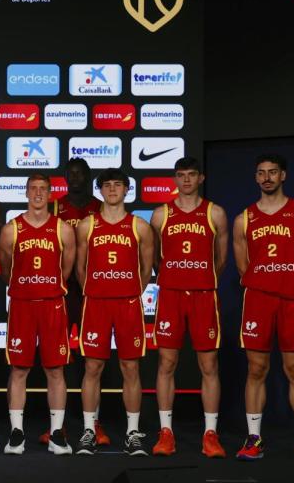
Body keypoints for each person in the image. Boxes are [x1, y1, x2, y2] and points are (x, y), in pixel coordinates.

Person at [233, 154, 294, 463]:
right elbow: (243, 266)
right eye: (261, 173)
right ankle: (254, 438)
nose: (266, 177)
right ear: (256, 178)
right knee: (256, 368)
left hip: (292, 299)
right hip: (257, 300)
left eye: (272, 172)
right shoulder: (244, 218)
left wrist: (292, 281)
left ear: (283, 175)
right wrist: (264, 281)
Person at [149, 157, 228, 458]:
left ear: (201, 178)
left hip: (203, 295)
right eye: (180, 175)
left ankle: (210, 434)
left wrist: (201, 279)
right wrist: (176, 276)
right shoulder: (161, 214)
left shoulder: (215, 213)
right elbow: (155, 258)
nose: (185, 180)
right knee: (166, 364)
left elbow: (220, 260)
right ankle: (165, 432)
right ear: (175, 179)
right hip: (170, 295)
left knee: (209, 365)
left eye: (191, 175)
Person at [75, 168, 154, 456]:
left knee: (130, 368)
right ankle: (88, 430)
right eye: (106, 185)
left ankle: (133, 432)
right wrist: (96, 290)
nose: (111, 189)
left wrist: (130, 290)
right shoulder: (87, 226)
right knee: (92, 367)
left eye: (117, 185)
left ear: (126, 190)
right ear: (99, 190)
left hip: (128, 304)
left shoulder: (139, 227)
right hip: (96, 303)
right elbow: (80, 269)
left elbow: (146, 270)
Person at [0, 174, 75, 455]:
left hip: (52, 304)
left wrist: (47, 287)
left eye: (43, 189)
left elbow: (66, 269)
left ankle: (56, 434)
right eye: (34, 189)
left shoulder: (63, 229)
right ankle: (16, 433)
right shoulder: (11, 230)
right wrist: (26, 286)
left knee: (55, 369)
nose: (38, 193)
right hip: (22, 304)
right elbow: (6, 269)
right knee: (19, 368)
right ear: (26, 192)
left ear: (51, 193)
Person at [44, 157, 109, 447]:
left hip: (94, 292)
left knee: (93, 360)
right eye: (69, 174)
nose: (75, 178)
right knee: (56, 359)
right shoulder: (55, 206)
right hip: (62, 291)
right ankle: (57, 426)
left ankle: (93, 424)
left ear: (88, 176)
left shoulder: (101, 206)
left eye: (80, 174)